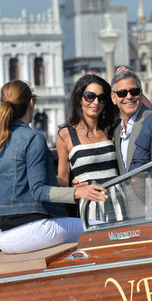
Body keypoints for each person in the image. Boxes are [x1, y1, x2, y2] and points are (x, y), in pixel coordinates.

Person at [0, 80, 107, 254]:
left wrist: (69, 188)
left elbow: (23, 185)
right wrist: (77, 193)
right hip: (31, 231)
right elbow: (38, 190)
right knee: (103, 228)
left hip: (2, 237)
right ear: (31, 103)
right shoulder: (32, 138)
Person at [56, 74, 124, 222]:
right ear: (79, 99)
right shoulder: (66, 135)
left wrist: (129, 81)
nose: (96, 102)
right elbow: (62, 179)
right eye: (90, 96)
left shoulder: (111, 128)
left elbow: (145, 117)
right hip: (90, 208)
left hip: (120, 203)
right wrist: (74, 189)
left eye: (101, 98)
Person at [111, 68, 152, 174]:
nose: (129, 97)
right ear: (113, 98)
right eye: (122, 93)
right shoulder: (116, 131)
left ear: (141, 93)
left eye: (134, 91)